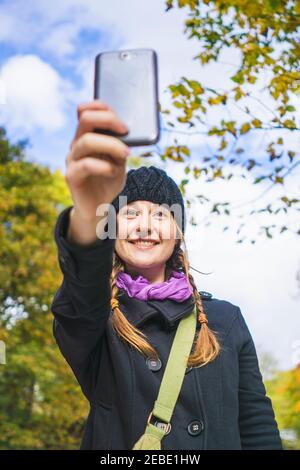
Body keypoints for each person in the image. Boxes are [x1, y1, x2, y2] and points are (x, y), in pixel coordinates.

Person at [50, 99, 283, 450]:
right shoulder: (97, 320)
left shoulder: (226, 319)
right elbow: (82, 285)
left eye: (160, 215)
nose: (145, 226)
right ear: (110, 230)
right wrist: (87, 213)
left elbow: (256, 424)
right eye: (130, 215)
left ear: (178, 233)